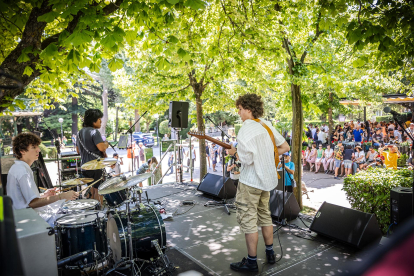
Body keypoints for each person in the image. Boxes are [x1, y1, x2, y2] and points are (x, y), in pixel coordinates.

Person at [227, 93, 290, 272]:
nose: (238, 113)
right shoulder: (266, 124)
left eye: (240, 109)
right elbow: (284, 147)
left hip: (250, 182)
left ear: (248, 109)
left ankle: (252, 262)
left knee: (249, 221)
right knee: (265, 216)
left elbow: (246, 159)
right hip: (266, 182)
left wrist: (234, 153)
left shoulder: (246, 128)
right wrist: (265, 155)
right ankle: (270, 254)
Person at [7, 132, 78, 211]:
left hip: (28, 214)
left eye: (37, 146)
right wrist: (61, 196)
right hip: (30, 217)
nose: (38, 150)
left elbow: (24, 201)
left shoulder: (19, 167)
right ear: (22, 151)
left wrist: (44, 196)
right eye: (33, 147)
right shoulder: (22, 171)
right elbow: (32, 203)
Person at [76, 109, 108, 204]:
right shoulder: (94, 132)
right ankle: (99, 213)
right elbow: (102, 148)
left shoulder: (79, 133)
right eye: (99, 119)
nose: (101, 121)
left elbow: (78, 151)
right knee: (99, 190)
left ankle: (93, 212)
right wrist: (106, 143)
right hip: (96, 166)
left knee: (91, 190)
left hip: (85, 167)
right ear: (93, 121)